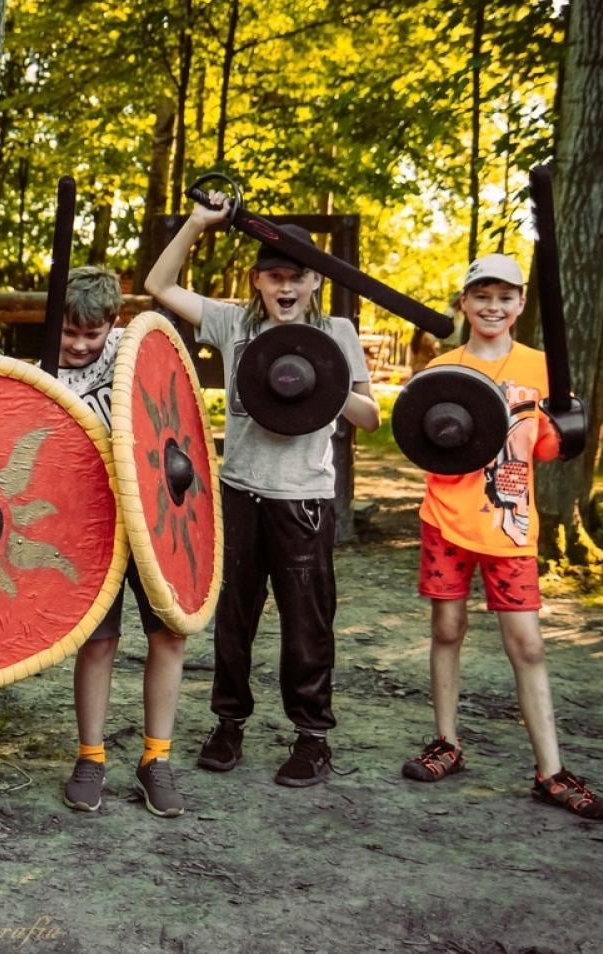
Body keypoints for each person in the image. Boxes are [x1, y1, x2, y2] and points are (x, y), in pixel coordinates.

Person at [144, 198, 378, 787]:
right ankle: (228, 725)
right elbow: (158, 285)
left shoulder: (337, 333)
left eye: (296, 276)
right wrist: (198, 222)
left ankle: (312, 737)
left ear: (315, 280)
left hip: (304, 500)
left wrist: (322, 386)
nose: (286, 287)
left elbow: (372, 417)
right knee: (234, 619)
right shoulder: (235, 325)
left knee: (307, 623)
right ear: (257, 280)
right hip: (240, 494)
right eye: (274, 276)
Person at [401, 253, 603, 820]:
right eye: (481, 296)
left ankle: (551, 772)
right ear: (464, 303)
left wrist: (566, 433)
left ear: (521, 304)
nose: (492, 307)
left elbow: (544, 448)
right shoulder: (442, 368)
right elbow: (422, 443)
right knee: (447, 628)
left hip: (512, 525)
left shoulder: (543, 368)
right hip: (446, 518)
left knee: (527, 644)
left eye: (504, 297)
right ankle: (446, 743)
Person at [56, 267, 189, 818]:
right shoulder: (40, 369)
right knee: (98, 641)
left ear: (113, 324)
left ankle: (156, 758)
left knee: (169, 634)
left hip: (154, 516)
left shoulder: (131, 353)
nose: (79, 344)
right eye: (70, 332)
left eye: (91, 333)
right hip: (91, 522)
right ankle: (91, 757)